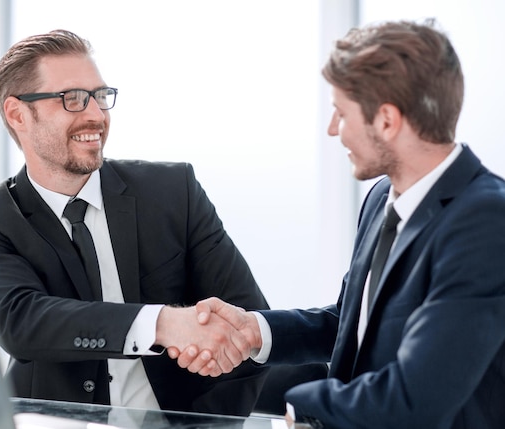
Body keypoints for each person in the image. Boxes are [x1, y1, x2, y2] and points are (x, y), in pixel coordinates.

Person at [173, 19, 505, 428]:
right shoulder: (383, 196)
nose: (333, 130)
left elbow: (416, 397)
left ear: (386, 120)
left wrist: (301, 406)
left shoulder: (488, 222)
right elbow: (352, 323)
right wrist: (255, 330)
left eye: (341, 113)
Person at [0, 29, 270, 416]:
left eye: (100, 97)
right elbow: (21, 321)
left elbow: (247, 321)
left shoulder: (173, 191)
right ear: (18, 114)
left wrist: (213, 426)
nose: (95, 115)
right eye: (72, 99)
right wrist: (161, 323)